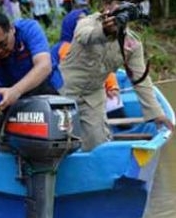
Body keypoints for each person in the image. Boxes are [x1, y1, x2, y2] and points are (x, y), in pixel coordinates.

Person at [59, 0, 173, 151]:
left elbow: (140, 80)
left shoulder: (131, 44)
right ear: (107, 6)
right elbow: (85, 36)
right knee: (59, 140)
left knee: (98, 142)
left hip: (93, 96)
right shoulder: (87, 22)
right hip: (65, 90)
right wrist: (105, 31)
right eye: (119, 3)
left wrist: (156, 113)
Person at [0, 11, 62, 135]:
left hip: (47, 87)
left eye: (2, 44)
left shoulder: (29, 29)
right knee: (1, 137)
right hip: (9, 96)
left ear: (12, 29)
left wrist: (16, 91)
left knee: (56, 131)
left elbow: (44, 66)